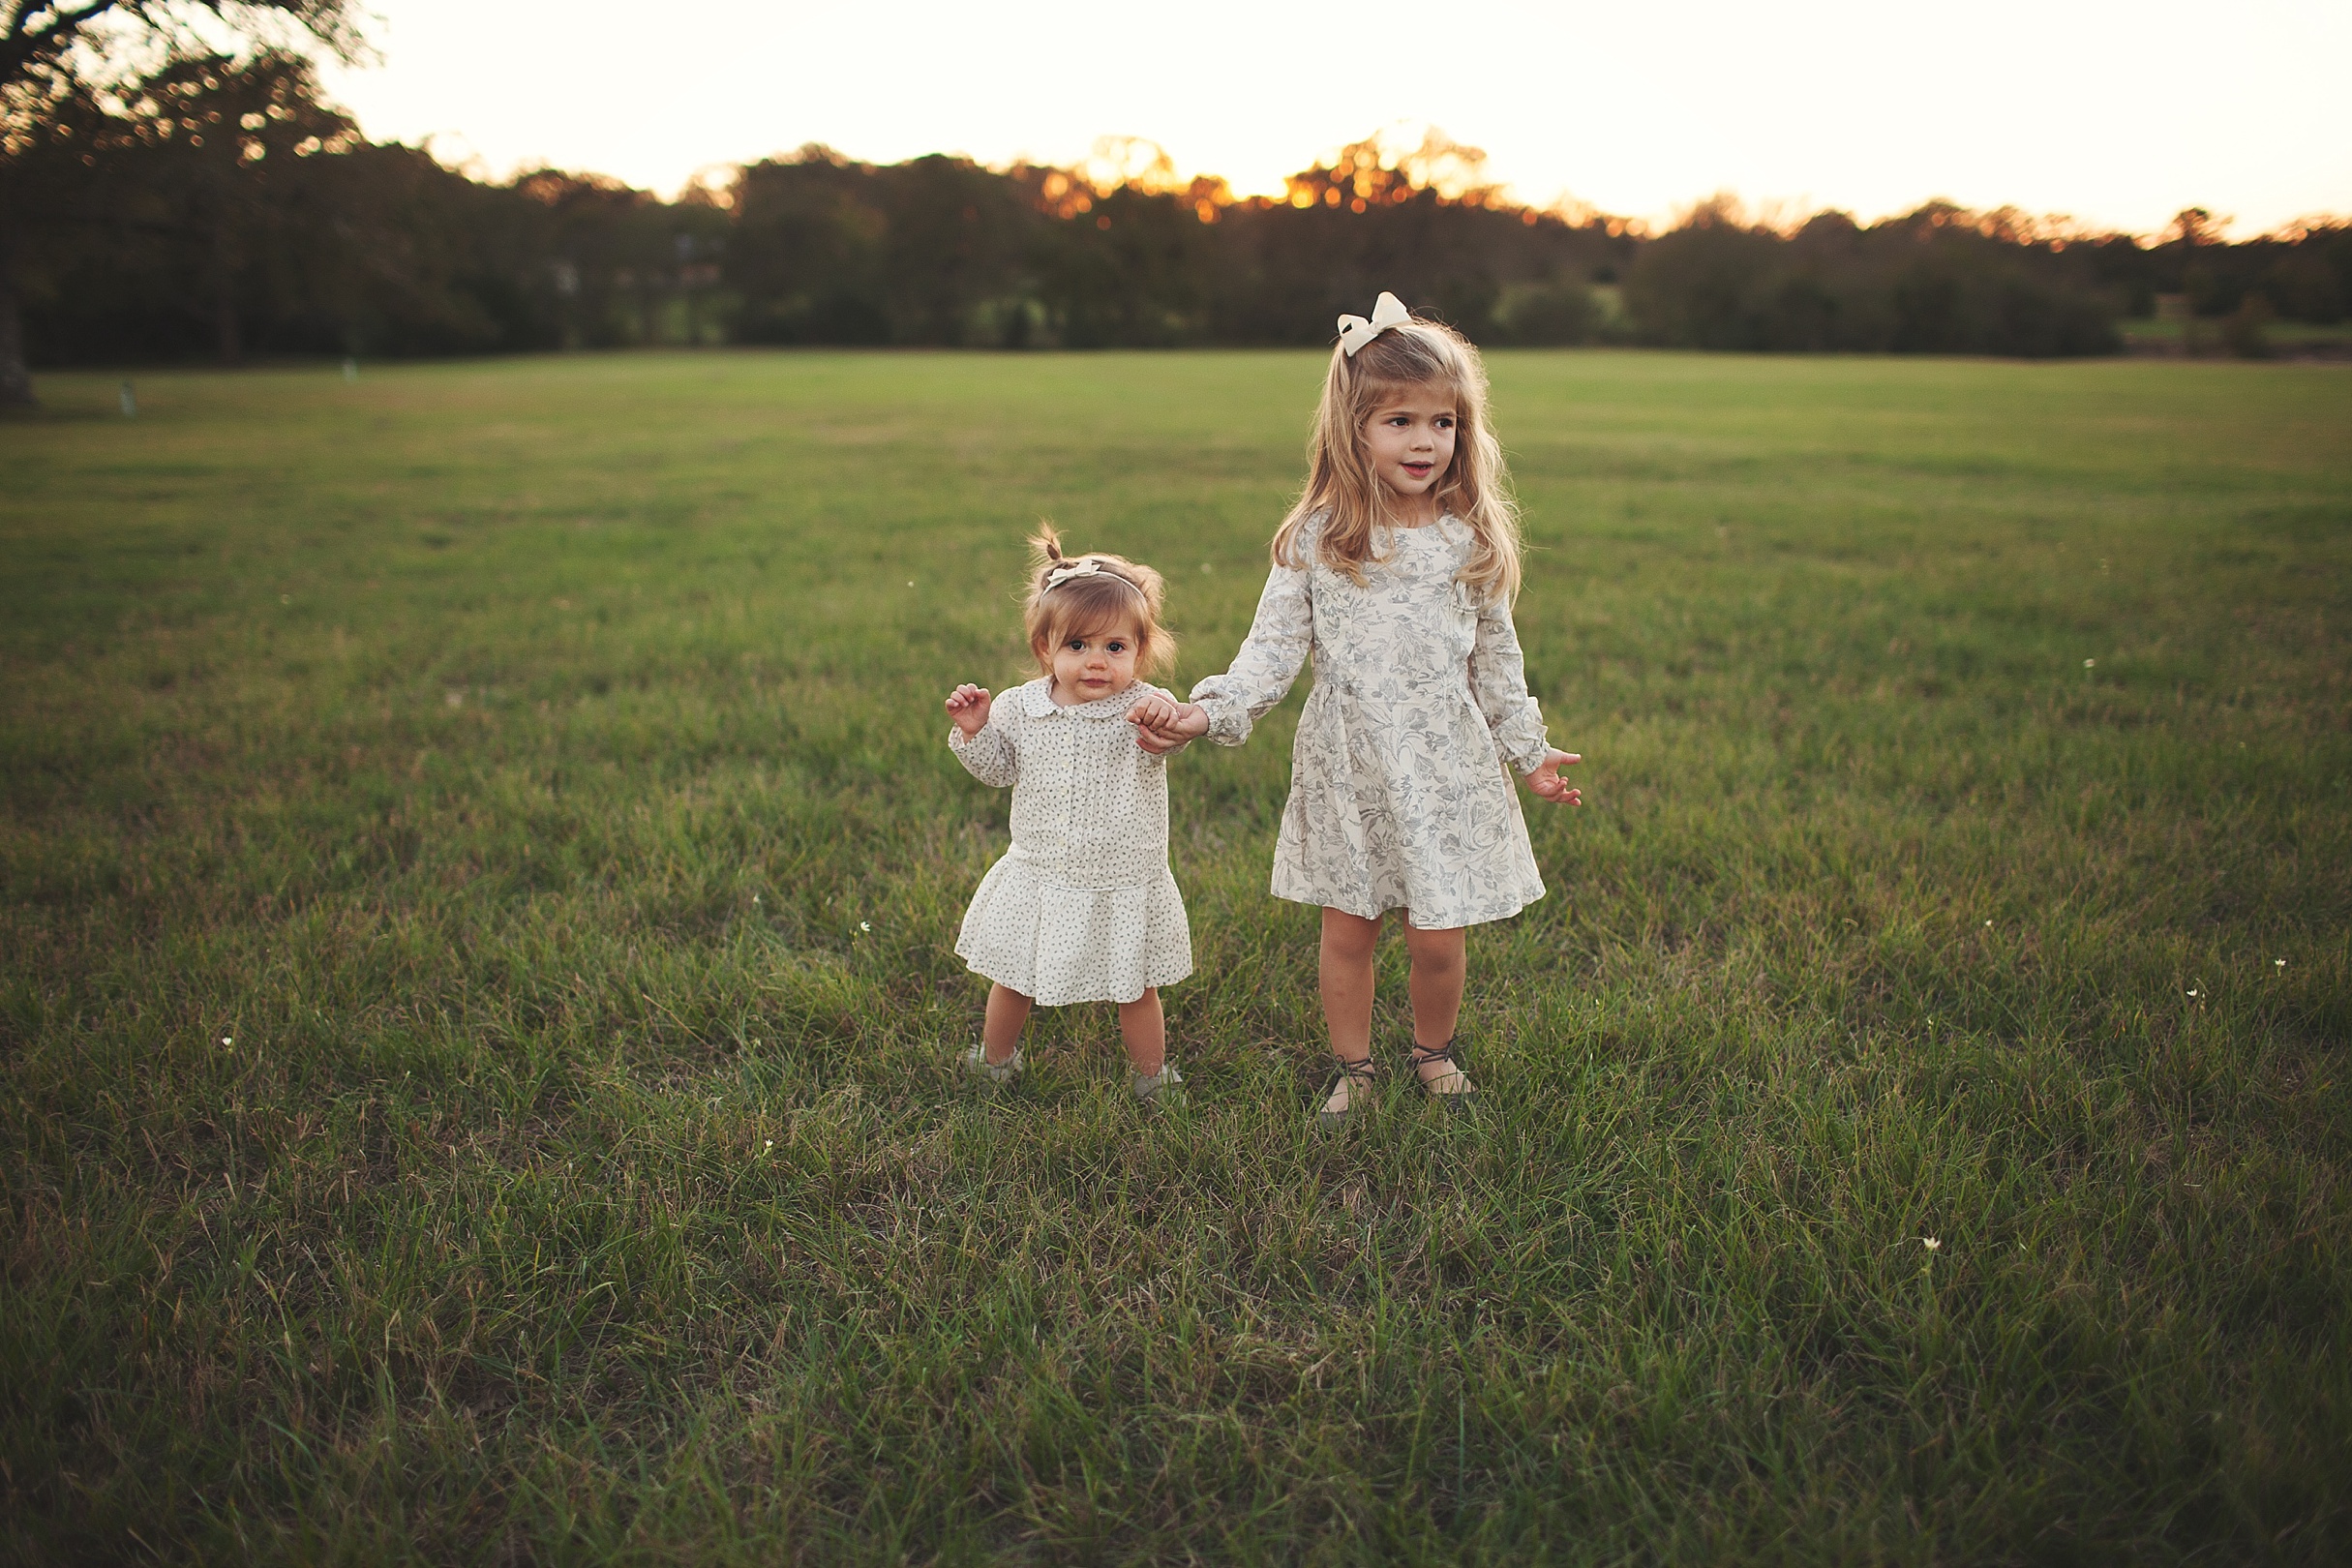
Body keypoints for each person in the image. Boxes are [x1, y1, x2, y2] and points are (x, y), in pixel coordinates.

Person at [1129, 292, 1581, 1125]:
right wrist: (1208, 712)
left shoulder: (1468, 539)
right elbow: (1269, 652)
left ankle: (1432, 1051)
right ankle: (1356, 1065)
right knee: (1351, 930)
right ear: (1354, 430)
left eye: (1441, 424)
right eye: (1399, 421)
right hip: (1351, 762)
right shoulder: (1321, 537)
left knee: (1439, 935)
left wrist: (1532, 751)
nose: (1423, 441)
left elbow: (1497, 662)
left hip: (1445, 760)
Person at [945, 527, 1192, 1108]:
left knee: (1135, 984)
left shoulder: (1145, 706)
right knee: (1014, 975)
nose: (1096, 662)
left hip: (1123, 874)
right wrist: (976, 732)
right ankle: (996, 1060)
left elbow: (1172, 738)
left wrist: (1169, 723)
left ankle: (1151, 1075)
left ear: (1140, 650)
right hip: (1043, 871)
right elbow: (998, 771)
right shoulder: (1020, 707)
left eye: (1115, 648)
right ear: (1045, 650)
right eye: (1077, 646)